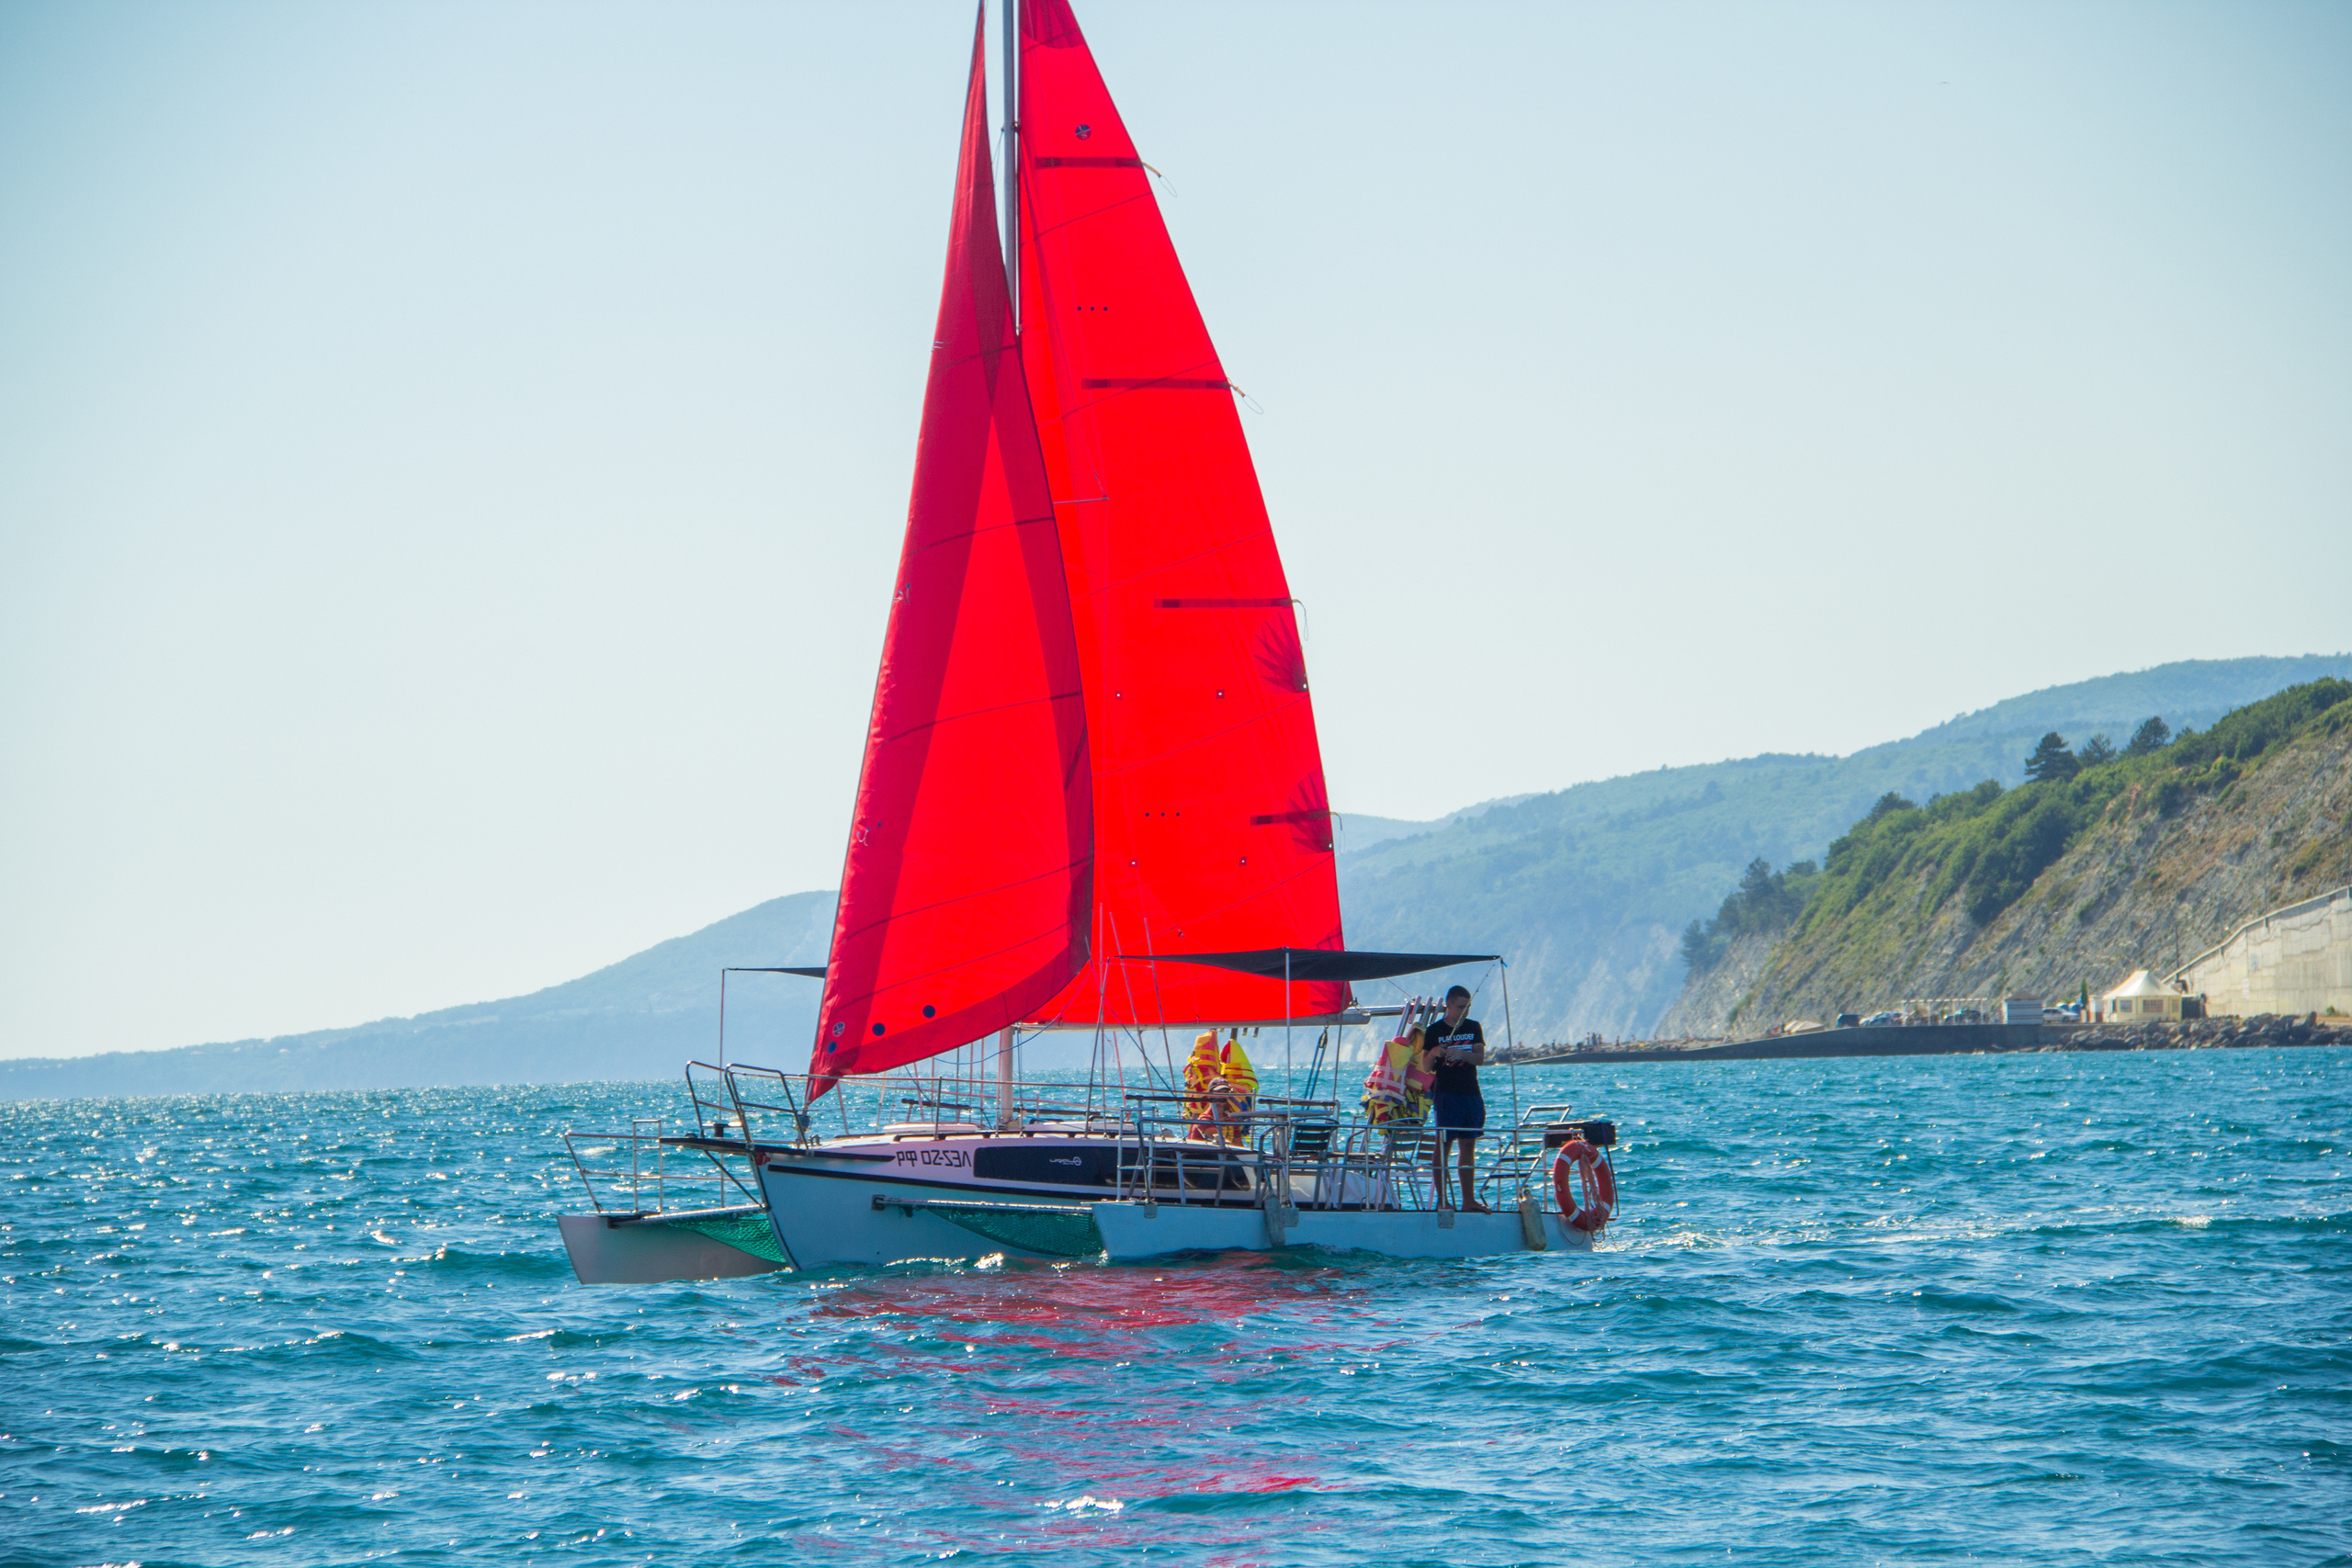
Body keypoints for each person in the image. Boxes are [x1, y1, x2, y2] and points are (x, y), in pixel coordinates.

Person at [1423, 985, 1488, 1213]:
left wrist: (1462, 1053)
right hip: (1446, 1094)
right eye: (1460, 1007)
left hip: (1471, 1092)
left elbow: (1480, 1058)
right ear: (1449, 1005)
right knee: (1443, 1145)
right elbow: (1425, 1065)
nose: (1464, 1011)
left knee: (1468, 1146)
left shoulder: (1473, 1027)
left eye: (1467, 1007)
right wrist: (1434, 1053)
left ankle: (1468, 1200)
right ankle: (1442, 1199)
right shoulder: (1434, 1030)